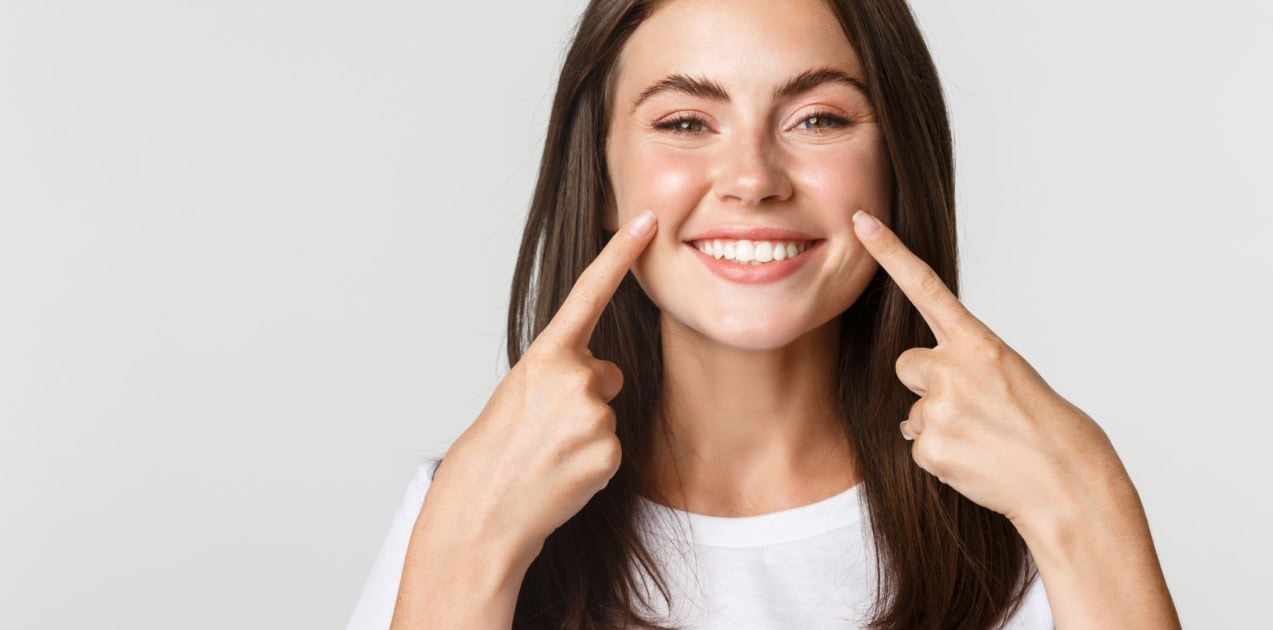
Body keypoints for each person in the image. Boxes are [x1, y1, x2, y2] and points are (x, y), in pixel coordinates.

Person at [348, 0, 1181, 628]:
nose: (753, 178)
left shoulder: (1033, 512)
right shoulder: (464, 508)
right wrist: (469, 556)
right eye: (684, 122)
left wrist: (1090, 505)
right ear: (600, 182)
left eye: (818, 118)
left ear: (897, 164)